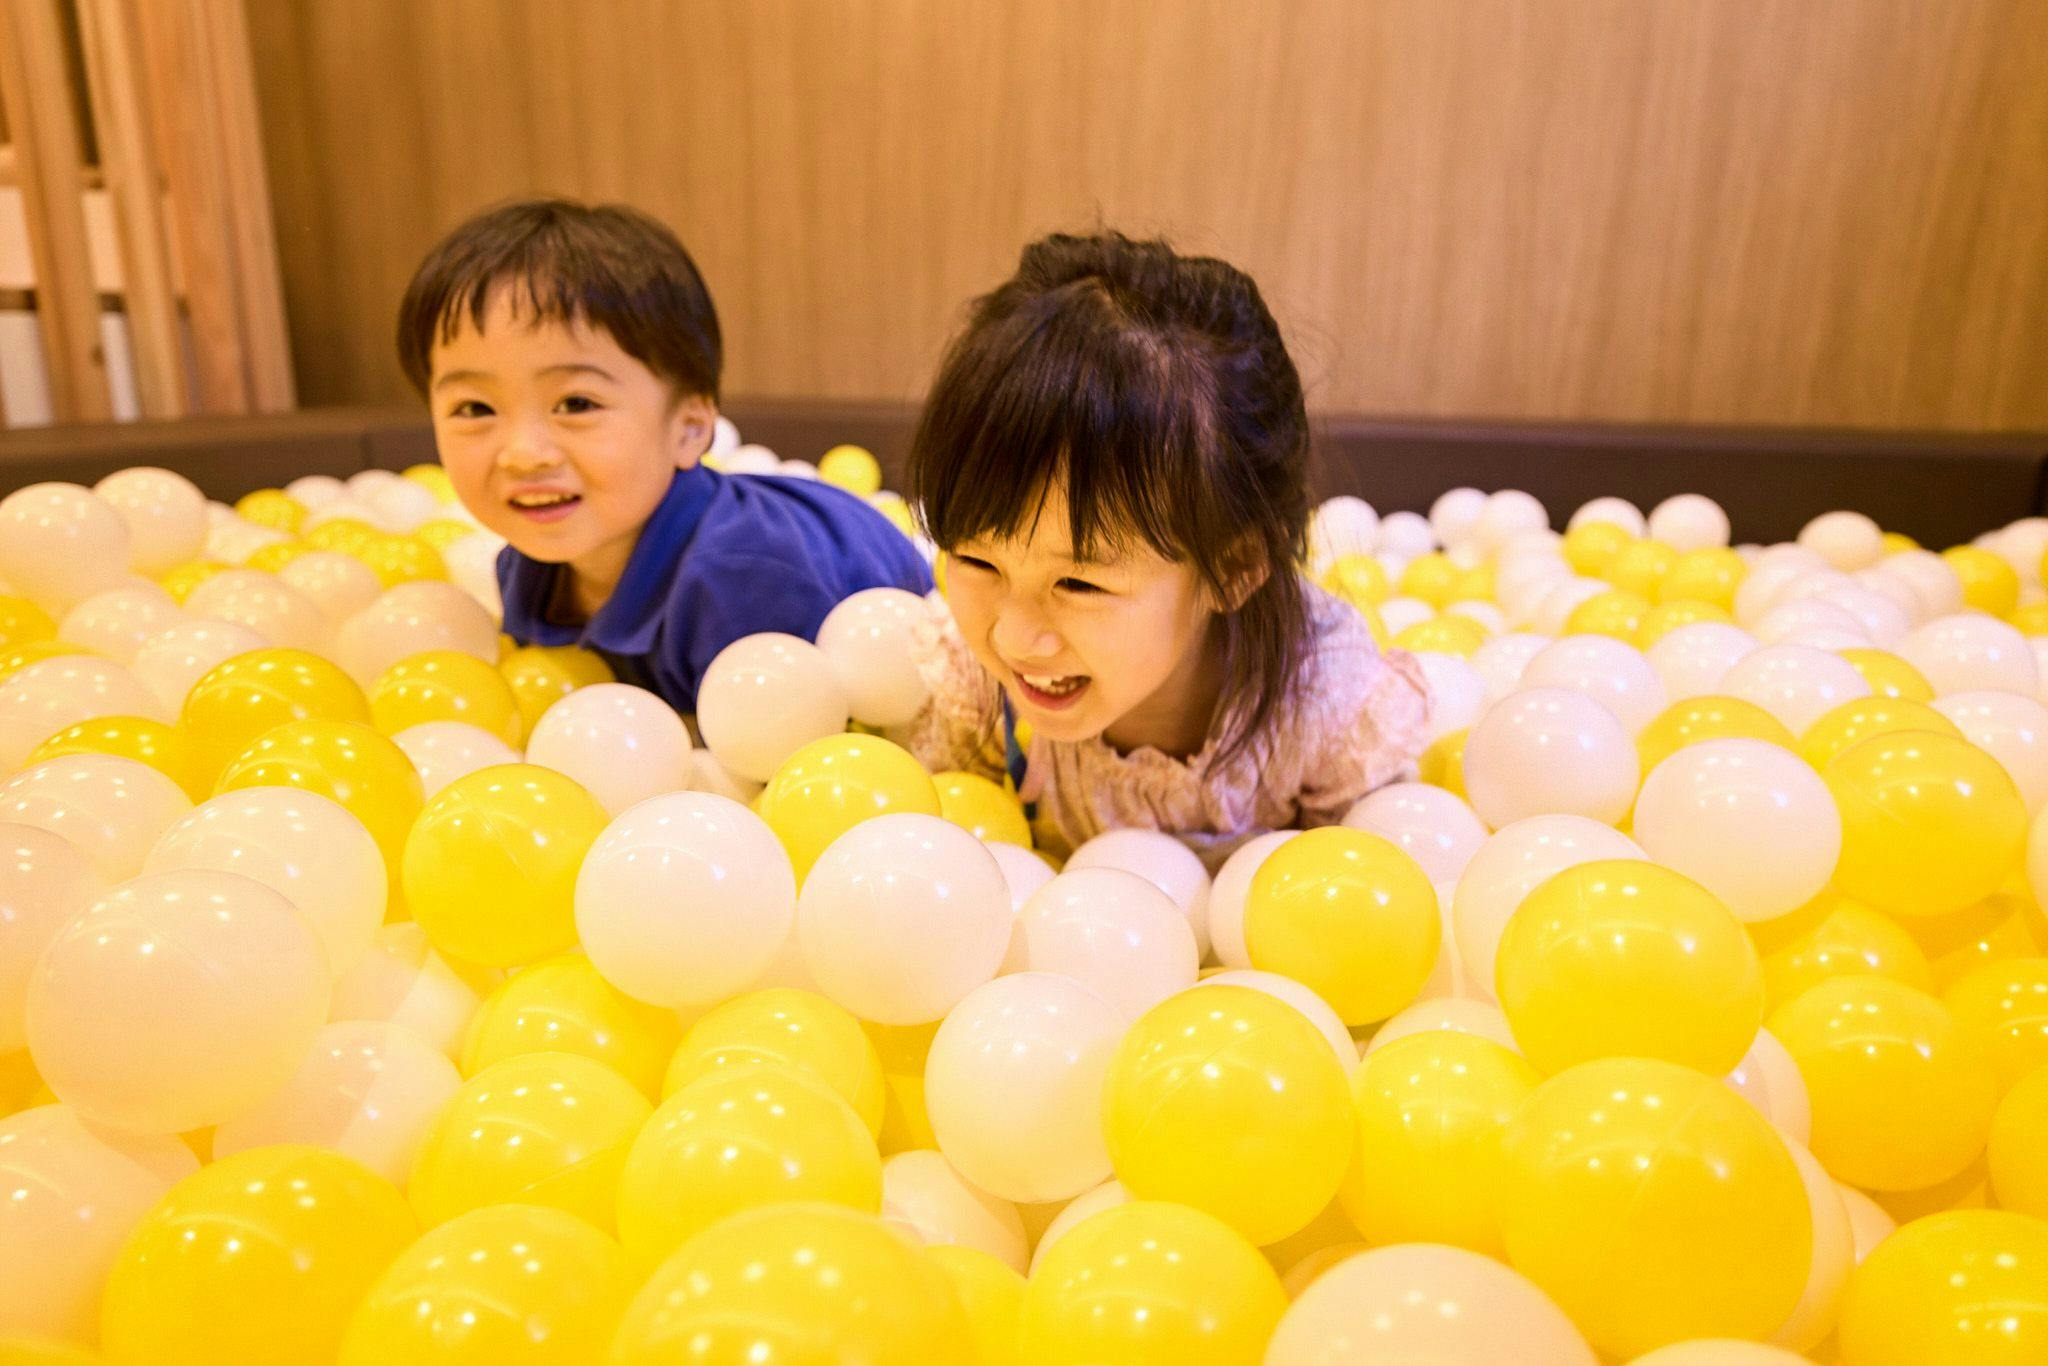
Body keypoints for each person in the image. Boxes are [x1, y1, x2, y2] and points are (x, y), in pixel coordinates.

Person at [894, 230, 1429, 868]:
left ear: (1233, 569)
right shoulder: (970, 679)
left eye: (1078, 585)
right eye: (978, 560)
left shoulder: (1327, 715)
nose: (1012, 637)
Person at [396, 198, 931, 710]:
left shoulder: (743, 587)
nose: (524, 453)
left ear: (690, 429)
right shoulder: (527, 564)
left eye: (576, 403)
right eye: (475, 408)